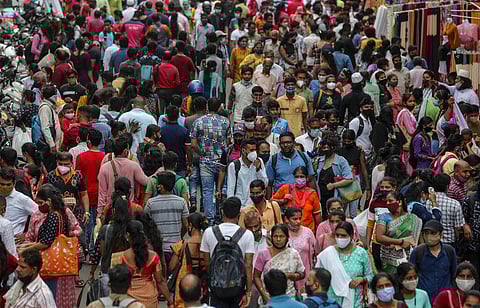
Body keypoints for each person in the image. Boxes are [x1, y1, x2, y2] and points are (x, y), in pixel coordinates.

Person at [20, 184, 81, 307]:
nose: (39, 206)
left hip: (51, 263)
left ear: (48, 201)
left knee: (51, 296)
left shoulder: (53, 216)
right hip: (60, 262)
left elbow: (46, 242)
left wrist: (27, 248)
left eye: (41, 203)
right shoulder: (59, 213)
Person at [200, 197, 254, 308]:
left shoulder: (209, 232)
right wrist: (248, 292)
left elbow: (206, 263)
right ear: (239, 213)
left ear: (222, 211)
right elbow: (248, 266)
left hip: (216, 289)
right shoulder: (247, 234)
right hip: (238, 289)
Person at [114, 220, 171, 308]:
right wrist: (170, 301)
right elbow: (160, 281)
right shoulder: (153, 257)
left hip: (129, 301)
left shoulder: (123, 257)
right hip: (150, 300)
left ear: (128, 235)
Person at [190, 98, 230, 225]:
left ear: (207, 106)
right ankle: (219, 216)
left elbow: (193, 144)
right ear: (219, 108)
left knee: (207, 191)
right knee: (221, 189)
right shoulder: (225, 122)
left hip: (205, 162)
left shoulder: (198, 122)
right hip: (221, 162)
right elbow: (229, 142)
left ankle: (209, 219)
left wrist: (202, 153)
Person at [316, 221, 374, 307]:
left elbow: (370, 275)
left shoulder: (361, 253)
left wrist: (362, 279)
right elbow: (317, 276)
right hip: (332, 301)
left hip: (355, 300)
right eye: (337, 235)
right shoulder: (328, 253)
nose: (340, 238)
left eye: (343, 236)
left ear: (351, 236)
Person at [97, 135, 150, 220]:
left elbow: (102, 193)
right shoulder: (134, 165)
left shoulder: (105, 167)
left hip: (111, 209)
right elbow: (146, 182)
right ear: (125, 151)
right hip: (129, 207)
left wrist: (100, 213)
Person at [144, 171, 188, 266]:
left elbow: (145, 225)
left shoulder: (150, 203)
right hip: (176, 248)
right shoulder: (181, 202)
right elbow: (186, 225)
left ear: (161, 186)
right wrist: (179, 235)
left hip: (157, 248)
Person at [254, 224, 306, 302]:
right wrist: (263, 294)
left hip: (289, 297)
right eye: (275, 236)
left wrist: (292, 276)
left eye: (281, 236)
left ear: (287, 238)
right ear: (271, 238)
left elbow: (302, 274)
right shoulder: (263, 254)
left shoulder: (293, 253)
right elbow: (256, 276)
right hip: (269, 297)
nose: (278, 239)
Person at [410, 220, 458, 301]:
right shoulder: (418, 252)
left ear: (441, 234)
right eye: (426, 233)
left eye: (433, 233)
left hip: (445, 299)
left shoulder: (449, 251)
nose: (429, 237)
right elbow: (411, 276)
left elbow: (454, 274)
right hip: (424, 298)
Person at [375, 191, 422, 274]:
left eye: (390, 201)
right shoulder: (384, 217)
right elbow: (379, 237)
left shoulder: (413, 218)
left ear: (399, 202)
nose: (387, 203)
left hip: (408, 255)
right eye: (386, 201)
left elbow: (417, 239)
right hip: (389, 258)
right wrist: (400, 242)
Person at [169, 213, 208, 308]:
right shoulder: (207, 244)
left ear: (190, 226)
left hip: (185, 288)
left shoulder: (181, 245)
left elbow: (171, 267)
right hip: (204, 286)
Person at [272, 166, 321, 232]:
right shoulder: (286, 189)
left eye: (302, 176)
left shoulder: (312, 193)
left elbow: (317, 214)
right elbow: (271, 202)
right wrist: (283, 201)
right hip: (289, 231)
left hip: (308, 231)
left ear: (307, 178)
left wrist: (319, 230)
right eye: (297, 177)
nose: (299, 179)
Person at [426, 174, 467, 248]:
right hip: (449, 242)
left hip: (432, 241)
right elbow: (458, 228)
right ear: (447, 187)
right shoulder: (455, 204)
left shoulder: (428, 202)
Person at [225, 138, 268, 207]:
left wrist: (258, 170)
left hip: (256, 205)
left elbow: (265, 183)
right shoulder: (234, 166)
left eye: (255, 150)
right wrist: (231, 206)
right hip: (240, 206)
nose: (254, 153)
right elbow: (230, 188)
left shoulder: (259, 162)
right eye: (251, 150)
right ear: (243, 151)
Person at [285, 207, 316, 292]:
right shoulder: (283, 234)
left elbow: (316, 253)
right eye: (294, 219)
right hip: (288, 277)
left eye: (299, 218)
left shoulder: (308, 232)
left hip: (306, 275)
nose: (298, 221)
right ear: (287, 219)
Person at [0, 168, 38, 236]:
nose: (5, 187)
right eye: (2, 184)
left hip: (14, 242)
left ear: (14, 183)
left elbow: (41, 215)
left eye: (8, 184)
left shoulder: (22, 199)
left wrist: (28, 234)